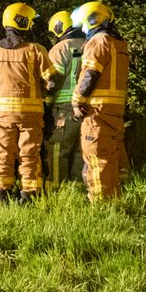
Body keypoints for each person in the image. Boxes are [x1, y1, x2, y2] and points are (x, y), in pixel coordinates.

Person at [0, 2, 52, 202]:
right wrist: (42, 93)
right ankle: (30, 196)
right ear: (23, 22)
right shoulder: (36, 50)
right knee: (29, 155)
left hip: (4, 116)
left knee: (3, 153)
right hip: (30, 115)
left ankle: (0, 196)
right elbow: (51, 80)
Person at [70, 1, 130, 200]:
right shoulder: (119, 44)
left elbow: (90, 74)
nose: (83, 30)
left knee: (96, 156)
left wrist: (77, 100)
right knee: (112, 155)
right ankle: (115, 197)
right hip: (115, 110)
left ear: (92, 20)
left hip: (97, 110)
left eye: (84, 25)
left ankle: (100, 203)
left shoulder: (98, 41)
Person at [42, 11, 85, 190]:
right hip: (85, 107)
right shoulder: (90, 44)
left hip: (64, 109)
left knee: (57, 149)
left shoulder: (61, 48)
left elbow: (52, 80)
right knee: (80, 150)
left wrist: (46, 103)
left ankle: (56, 189)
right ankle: (77, 189)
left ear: (59, 27)